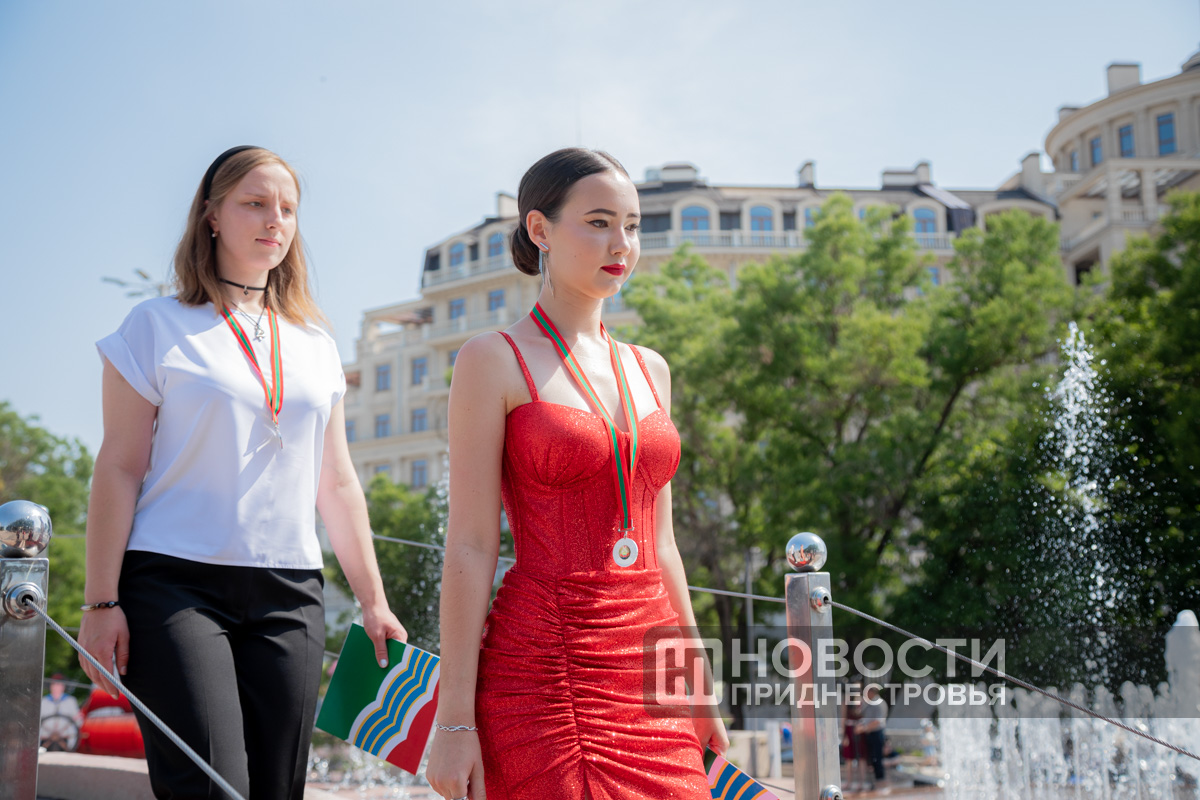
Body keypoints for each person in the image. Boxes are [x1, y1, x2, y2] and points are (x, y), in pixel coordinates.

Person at [78, 146, 406, 800]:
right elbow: (117, 468)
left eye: (287, 208)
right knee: (211, 786)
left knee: (278, 790)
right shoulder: (155, 325)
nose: (274, 220)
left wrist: (374, 602)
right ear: (212, 215)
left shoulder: (316, 344)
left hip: (291, 589)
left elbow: (337, 481)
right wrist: (100, 603)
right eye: (254, 204)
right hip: (173, 584)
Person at [427, 148, 729, 800]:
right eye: (598, 222)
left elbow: (663, 545)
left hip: (651, 668)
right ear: (539, 229)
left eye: (632, 225)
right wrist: (453, 720)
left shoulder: (651, 368)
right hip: (546, 669)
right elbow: (471, 544)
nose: (622, 244)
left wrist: (696, 678)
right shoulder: (492, 359)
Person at [856, 683, 889, 788]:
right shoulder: (868, 703)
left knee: (877, 758)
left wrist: (864, 728)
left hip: (876, 733)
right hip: (869, 734)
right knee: (872, 758)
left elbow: (878, 721)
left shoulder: (879, 704)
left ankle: (880, 780)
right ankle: (875, 781)